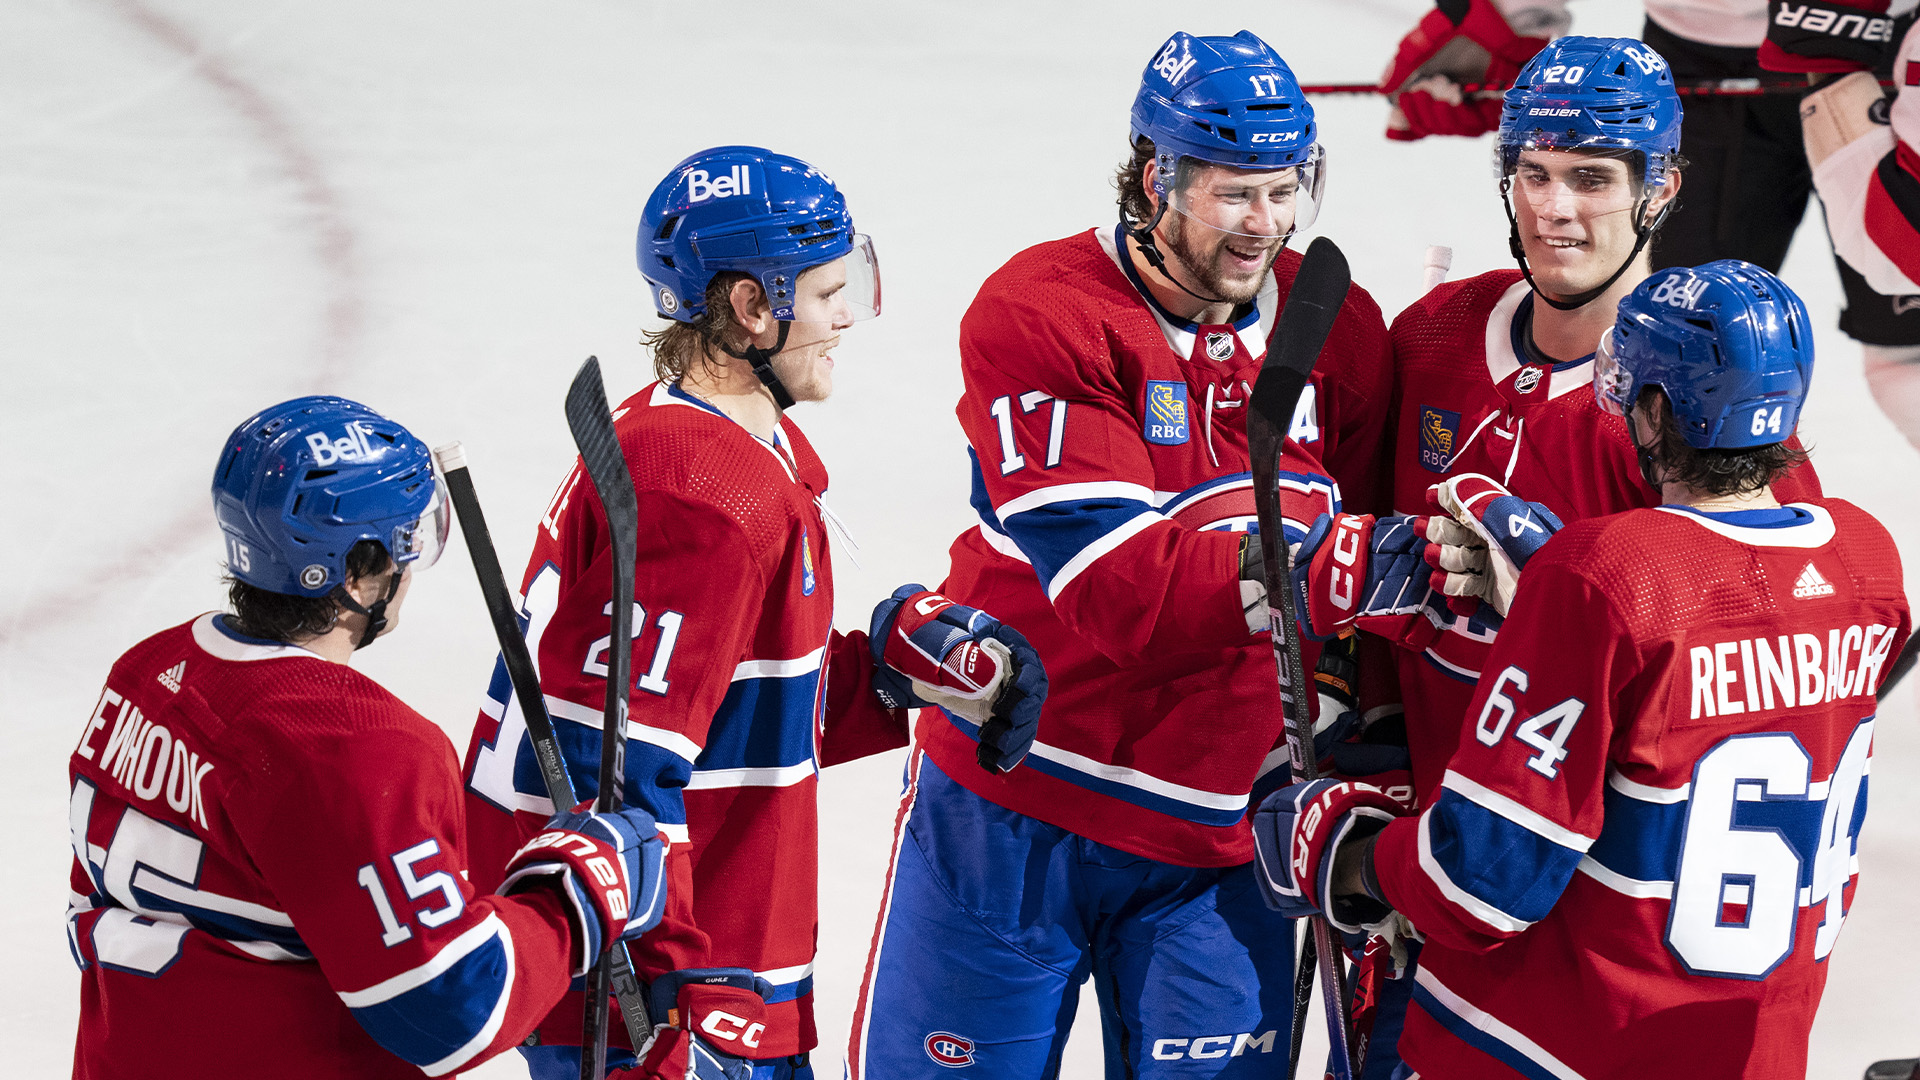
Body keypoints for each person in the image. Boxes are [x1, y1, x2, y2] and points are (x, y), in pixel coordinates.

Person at [846, 31, 1395, 1078]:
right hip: (1011, 820)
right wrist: (1342, 570)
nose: (1265, 226)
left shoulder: (1340, 329)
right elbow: (1119, 593)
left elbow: (1373, 583)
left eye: (1286, 192)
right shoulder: (1044, 312)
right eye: (1238, 194)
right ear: (1160, 179)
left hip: (1223, 848)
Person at [459, 146, 1047, 1080]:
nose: (847, 314)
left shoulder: (695, 435)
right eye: (824, 293)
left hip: (704, 979)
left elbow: (721, 719)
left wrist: (891, 681)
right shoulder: (706, 493)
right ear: (750, 307)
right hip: (675, 1006)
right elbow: (615, 774)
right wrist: (679, 1005)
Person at [1257, 260, 1911, 1080]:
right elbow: (1711, 674)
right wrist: (1545, 598)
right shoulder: (1867, 559)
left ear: (1658, 409)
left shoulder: (1602, 575)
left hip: (1555, 1042)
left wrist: (1348, 861)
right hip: (1757, 1042)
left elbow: (1479, 883)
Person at [67, 396, 667, 1079]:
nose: (412, 566)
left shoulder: (146, 674)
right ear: (356, 574)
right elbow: (450, 1010)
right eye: (409, 542)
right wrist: (576, 900)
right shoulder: (358, 750)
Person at [1379, 0, 1920, 449]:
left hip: (1888, 47)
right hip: (1699, 50)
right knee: (1671, 354)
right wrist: (1505, 16)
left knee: (1907, 359)